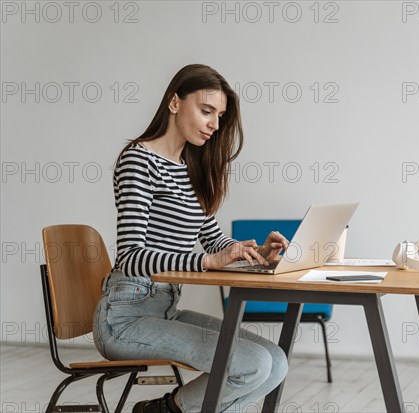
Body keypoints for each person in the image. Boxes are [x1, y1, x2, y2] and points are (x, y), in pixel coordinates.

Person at [92, 64, 290, 413]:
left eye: (220, 115)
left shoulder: (189, 168)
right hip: (124, 318)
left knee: (275, 361)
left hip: (164, 310)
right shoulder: (139, 160)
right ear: (173, 103)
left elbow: (213, 241)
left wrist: (255, 252)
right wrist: (205, 261)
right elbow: (131, 256)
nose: (215, 124)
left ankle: (167, 410)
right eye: (206, 111)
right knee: (253, 364)